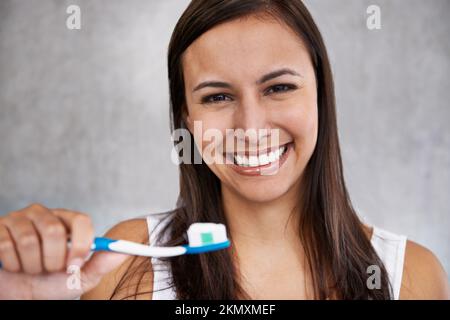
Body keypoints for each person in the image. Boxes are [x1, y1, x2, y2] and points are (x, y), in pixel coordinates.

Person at [0, 0, 448, 300]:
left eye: (279, 87)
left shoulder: (413, 275)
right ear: (185, 119)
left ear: (321, 97)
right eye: (217, 97)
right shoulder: (125, 262)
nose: (250, 129)